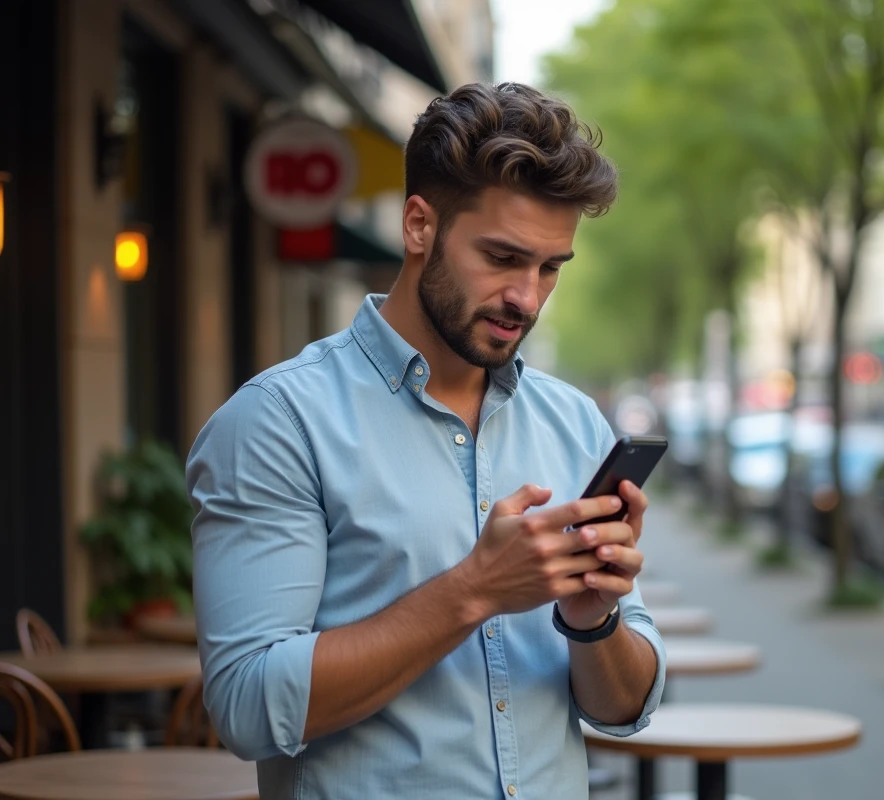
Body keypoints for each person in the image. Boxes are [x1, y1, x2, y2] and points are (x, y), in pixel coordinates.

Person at [186, 83, 665, 799]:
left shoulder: (575, 424)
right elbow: (248, 708)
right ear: (418, 226)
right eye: (502, 258)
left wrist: (591, 620)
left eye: (549, 268)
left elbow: (625, 709)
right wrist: (475, 591)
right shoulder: (277, 423)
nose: (527, 299)